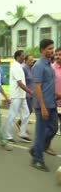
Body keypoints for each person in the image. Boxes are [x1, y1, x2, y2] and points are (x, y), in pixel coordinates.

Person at [30, 39, 61, 172]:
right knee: (41, 132)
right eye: (49, 48)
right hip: (43, 105)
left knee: (54, 128)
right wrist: (42, 106)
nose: (52, 51)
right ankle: (37, 160)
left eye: (52, 48)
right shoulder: (39, 66)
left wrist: (57, 95)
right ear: (42, 50)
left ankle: (36, 148)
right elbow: (37, 87)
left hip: (52, 103)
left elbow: (49, 85)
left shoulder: (49, 65)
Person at [5, 50, 33, 143]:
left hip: (22, 95)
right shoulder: (15, 67)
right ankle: (8, 136)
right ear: (17, 57)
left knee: (26, 114)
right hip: (16, 95)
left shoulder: (19, 66)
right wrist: (29, 91)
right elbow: (19, 83)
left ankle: (22, 133)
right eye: (22, 56)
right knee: (12, 115)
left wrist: (26, 92)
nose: (24, 57)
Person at [16, 55, 35, 131]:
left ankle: (21, 124)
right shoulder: (24, 69)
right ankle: (21, 125)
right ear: (26, 61)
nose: (32, 62)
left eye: (32, 60)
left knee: (29, 111)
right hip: (26, 93)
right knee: (27, 111)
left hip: (31, 93)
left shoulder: (32, 69)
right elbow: (20, 81)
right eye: (30, 60)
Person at [48, 48, 61, 153]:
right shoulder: (51, 68)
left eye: (60, 54)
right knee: (52, 128)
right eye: (56, 54)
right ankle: (46, 146)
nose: (57, 56)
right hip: (53, 103)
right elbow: (47, 85)